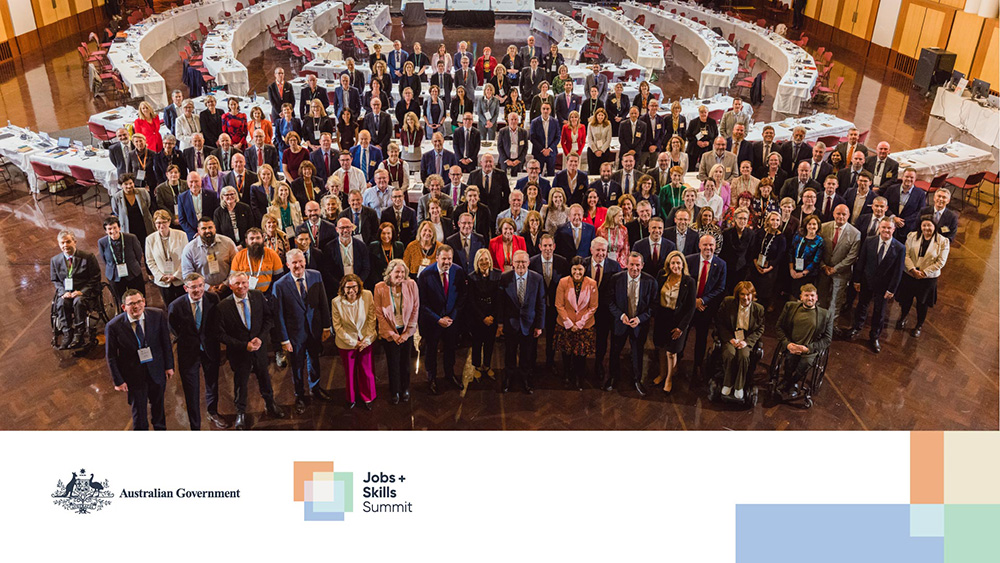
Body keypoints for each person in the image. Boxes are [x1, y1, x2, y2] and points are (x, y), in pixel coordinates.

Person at [217, 272, 285, 430]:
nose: (241, 286)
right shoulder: (223, 306)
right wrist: (243, 345)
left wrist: (261, 338)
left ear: (249, 283)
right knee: (241, 382)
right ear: (231, 286)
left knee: (265, 377)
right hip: (239, 353)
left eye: (244, 283)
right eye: (237, 284)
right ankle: (240, 412)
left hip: (259, 349)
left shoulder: (258, 296)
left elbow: (268, 318)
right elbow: (220, 334)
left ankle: (270, 403)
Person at [272, 248, 333, 414]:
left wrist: (327, 326)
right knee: (297, 365)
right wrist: (284, 340)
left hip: (314, 329)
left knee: (314, 360)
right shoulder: (280, 285)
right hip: (295, 334)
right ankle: (299, 394)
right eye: (294, 263)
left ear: (305, 261)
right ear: (287, 264)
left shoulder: (316, 275)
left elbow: (323, 302)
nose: (298, 265)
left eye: (300, 261)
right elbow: (279, 316)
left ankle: (315, 387)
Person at [105, 290, 173, 430]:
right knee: (139, 415)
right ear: (124, 307)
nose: (136, 306)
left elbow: (166, 342)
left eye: (138, 302)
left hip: (156, 371)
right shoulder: (113, 326)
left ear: (144, 301)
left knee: (159, 409)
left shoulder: (157, 315)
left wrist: (169, 366)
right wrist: (118, 380)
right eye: (131, 304)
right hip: (134, 377)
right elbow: (111, 356)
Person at [168, 273, 227, 430]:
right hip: (188, 352)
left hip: (210, 349)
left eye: (200, 285)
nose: (198, 290)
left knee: (212, 383)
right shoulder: (176, 306)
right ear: (185, 288)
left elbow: (217, 323)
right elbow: (174, 328)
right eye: (193, 287)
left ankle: (212, 411)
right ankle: (195, 424)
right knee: (191, 389)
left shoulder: (213, 299)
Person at [849, 218, 905, 353]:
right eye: (883, 227)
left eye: (889, 228)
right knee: (861, 306)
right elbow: (861, 262)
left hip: (883, 286)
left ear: (893, 229)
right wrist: (857, 280)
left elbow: (898, 271)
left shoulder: (899, 248)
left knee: (879, 312)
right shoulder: (869, 241)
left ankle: (874, 336)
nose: (886, 230)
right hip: (866, 281)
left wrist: (892, 289)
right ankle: (856, 327)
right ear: (879, 227)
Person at [606, 252, 657, 395]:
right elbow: (609, 301)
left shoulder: (651, 281)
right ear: (626, 264)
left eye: (637, 265)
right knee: (615, 351)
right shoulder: (616, 279)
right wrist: (621, 315)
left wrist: (640, 318)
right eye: (632, 264)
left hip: (639, 324)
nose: (634, 268)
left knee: (637, 352)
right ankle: (613, 377)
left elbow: (654, 305)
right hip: (620, 323)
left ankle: (637, 379)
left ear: (642, 265)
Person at [418, 245, 465, 394]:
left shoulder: (458, 271)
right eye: (444, 258)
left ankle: (449, 374)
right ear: (437, 258)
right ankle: (431, 378)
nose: (447, 262)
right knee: (431, 351)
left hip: (452, 320)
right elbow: (422, 303)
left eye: (449, 258)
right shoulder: (425, 275)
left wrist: (452, 317)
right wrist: (438, 319)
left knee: (450, 349)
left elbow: (462, 296)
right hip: (433, 322)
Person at [496, 250, 545, 394]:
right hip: (511, 324)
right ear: (513, 263)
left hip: (529, 325)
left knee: (526, 354)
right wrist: (500, 324)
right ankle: (508, 378)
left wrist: (539, 326)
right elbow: (500, 304)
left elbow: (540, 304)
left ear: (528, 263)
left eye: (523, 262)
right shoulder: (505, 278)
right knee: (509, 353)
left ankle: (525, 378)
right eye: (517, 262)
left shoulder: (537, 278)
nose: (521, 265)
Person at [372, 259, 419, 404]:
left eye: (403, 272)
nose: (400, 274)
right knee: (392, 363)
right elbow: (378, 313)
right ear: (390, 272)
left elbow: (416, 308)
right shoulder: (380, 287)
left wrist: (406, 333)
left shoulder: (411, 285)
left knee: (405, 362)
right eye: (397, 271)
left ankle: (405, 389)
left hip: (406, 331)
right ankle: (395, 391)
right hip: (390, 332)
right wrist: (392, 335)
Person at [774, 284, 833, 399]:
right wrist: (788, 344)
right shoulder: (790, 307)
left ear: (816, 298)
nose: (809, 298)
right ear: (801, 297)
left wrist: (808, 348)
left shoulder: (825, 315)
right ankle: (787, 380)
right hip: (792, 345)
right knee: (790, 359)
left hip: (809, 349)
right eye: (806, 295)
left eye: (812, 296)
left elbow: (827, 339)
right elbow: (779, 327)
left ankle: (792, 382)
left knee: (805, 363)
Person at [895, 217, 949, 338]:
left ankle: (919, 325)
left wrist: (924, 273)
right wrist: (913, 270)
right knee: (906, 299)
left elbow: (941, 262)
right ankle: (903, 317)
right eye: (924, 225)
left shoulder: (943, 241)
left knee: (922, 303)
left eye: (929, 226)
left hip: (927, 279)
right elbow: (906, 254)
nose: (926, 228)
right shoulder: (912, 236)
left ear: (935, 226)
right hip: (910, 274)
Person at [551, 255, 597, 390]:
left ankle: (579, 377)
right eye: (574, 269)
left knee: (580, 354)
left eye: (580, 270)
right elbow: (559, 305)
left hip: (584, 326)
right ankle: (566, 373)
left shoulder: (592, 283)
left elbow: (593, 306)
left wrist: (580, 324)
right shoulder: (563, 282)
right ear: (571, 269)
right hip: (565, 324)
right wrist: (569, 323)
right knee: (566, 352)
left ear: (585, 270)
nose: (577, 273)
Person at [714, 281, 765, 399]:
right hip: (731, 335)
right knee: (730, 354)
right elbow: (720, 323)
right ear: (737, 295)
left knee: (744, 356)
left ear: (752, 295)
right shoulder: (728, 303)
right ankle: (727, 383)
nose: (745, 297)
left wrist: (746, 342)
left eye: (748, 294)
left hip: (746, 338)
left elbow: (760, 328)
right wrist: (730, 339)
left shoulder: (759, 309)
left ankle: (739, 386)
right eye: (742, 294)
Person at [51, 231, 101, 349]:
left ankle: (79, 333)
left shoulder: (88, 257)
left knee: (78, 302)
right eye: (62, 243)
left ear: (75, 242)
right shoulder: (55, 260)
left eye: (68, 242)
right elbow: (55, 280)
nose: (65, 245)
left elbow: (96, 277)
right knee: (61, 303)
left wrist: (82, 291)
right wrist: (63, 292)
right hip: (67, 292)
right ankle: (68, 333)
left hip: (83, 292)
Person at [687, 234, 728, 376]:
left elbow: (720, 288)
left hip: (705, 308)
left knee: (701, 337)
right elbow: (684, 284)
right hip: (688, 306)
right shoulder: (689, 260)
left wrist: (702, 301)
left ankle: (698, 364)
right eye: (705, 245)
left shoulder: (721, 264)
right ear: (699, 246)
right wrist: (694, 301)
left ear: (715, 246)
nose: (708, 248)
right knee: (683, 335)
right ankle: (677, 362)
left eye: (711, 245)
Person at [816, 205, 860, 328]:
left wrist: (835, 269)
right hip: (823, 270)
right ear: (834, 214)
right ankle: (819, 323)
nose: (840, 217)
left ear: (848, 215)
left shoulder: (855, 233)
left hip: (841, 273)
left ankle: (831, 326)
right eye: (838, 214)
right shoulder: (823, 227)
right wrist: (823, 266)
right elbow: (817, 249)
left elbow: (852, 257)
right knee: (821, 298)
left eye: (843, 214)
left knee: (836, 301)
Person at [466, 249, 502, 379]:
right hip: (477, 317)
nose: (484, 262)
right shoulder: (471, 277)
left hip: (492, 315)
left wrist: (492, 317)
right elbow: (471, 300)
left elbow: (499, 299)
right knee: (476, 343)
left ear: (490, 261)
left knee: (489, 343)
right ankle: (476, 366)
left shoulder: (498, 275)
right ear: (477, 262)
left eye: (486, 259)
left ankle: (487, 365)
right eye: (481, 260)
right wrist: (482, 317)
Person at [98, 215, 146, 308]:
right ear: (106, 231)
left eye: (115, 228)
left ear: (119, 227)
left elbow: (138, 254)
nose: (112, 231)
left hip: (133, 273)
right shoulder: (102, 242)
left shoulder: (131, 238)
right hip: (115, 276)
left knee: (139, 297)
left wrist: (134, 265)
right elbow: (105, 259)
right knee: (121, 301)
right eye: (109, 229)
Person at [181, 217, 237, 293]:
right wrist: (207, 287)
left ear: (215, 228)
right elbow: (188, 275)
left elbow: (237, 266)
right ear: (198, 230)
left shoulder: (228, 243)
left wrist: (226, 283)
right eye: (204, 228)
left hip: (228, 288)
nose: (208, 231)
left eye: (210, 227)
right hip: (202, 292)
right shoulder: (189, 249)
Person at [146, 209, 187, 306]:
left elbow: (186, 258)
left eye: (164, 222)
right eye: (158, 223)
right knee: (170, 308)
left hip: (180, 280)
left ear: (169, 222)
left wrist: (176, 275)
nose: (161, 225)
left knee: (184, 307)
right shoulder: (149, 239)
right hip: (163, 282)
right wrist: (160, 276)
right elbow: (150, 261)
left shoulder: (181, 235)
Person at [324, 217, 371, 292]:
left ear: (352, 228)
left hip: (358, 287)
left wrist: (357, 283)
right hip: (337, 288)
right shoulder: (329, 247)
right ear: (337, 229)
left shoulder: (361, 246)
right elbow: (328, 271)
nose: (345, 230)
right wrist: (341, 285)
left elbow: (366, 268)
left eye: (348, 227)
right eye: (342, 228)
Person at [884, 168, 927, 241]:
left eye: (911, 177)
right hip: (889, 225)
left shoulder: (920, 194)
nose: (909, 179)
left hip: (908, 228)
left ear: (915, 179)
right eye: (906, 176)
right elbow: (884, 205)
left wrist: (903, 221)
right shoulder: (891, 189)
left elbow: (920, 211)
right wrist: (893, 217)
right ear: (902, 177)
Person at [111, 174, 155, 242]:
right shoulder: (116, 197)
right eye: (126, 184)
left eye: (130, 183)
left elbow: (148, 204)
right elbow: (116, 211)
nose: (129, 186)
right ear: (121, 185)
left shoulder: (143, 192)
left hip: (143, 225)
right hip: (129, 227)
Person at [788, 214, 824, 296]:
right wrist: (791, 269)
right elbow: (791, 251)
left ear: (818, 226)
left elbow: (816, 261)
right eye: (809, 224)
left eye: (814, 224)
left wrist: (803, 273)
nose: (812, 226)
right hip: (794, 271)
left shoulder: (819, 241)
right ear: (806, 225)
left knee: (804, 296)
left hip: (808, 274)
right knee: (793, 295)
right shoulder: (799, 236)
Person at [369, 222, 405, 290]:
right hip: (378, 282)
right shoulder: (373, 246)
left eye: (388, 233)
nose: (386, 236)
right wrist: (380, 283)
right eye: (383, 233)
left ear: (392, 234)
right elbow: (372, 268)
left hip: (396, 281)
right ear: (379, 234)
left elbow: (401, 265)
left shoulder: (399, 246)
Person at [529, 101, 561, 176]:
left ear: (550, 110)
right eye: (544, 109)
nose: (545, 111)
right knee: (537, 174)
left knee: (551, 174)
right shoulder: (535, 122)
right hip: (539, 152)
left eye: (547, 109)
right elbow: (532, 138)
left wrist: (549, 149)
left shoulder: (555, 122)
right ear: (541, 109)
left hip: (551, 152)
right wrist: (542, 149)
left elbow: (558, 137)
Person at [498, 111, 529, 176]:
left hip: (518, 162)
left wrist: (519, 160)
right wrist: (506, 160)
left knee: (517, 180)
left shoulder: (523, 132)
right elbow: (500, 147)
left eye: (515, 119)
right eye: (512, 119)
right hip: (506, 162)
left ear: (518, 120)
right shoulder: (502, 131)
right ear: (508, 120)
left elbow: (525, 147)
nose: (513, 121)